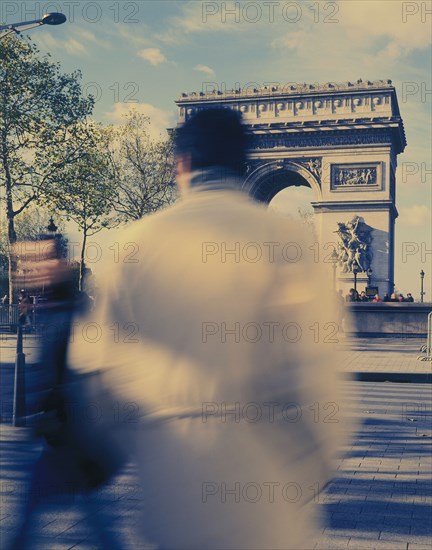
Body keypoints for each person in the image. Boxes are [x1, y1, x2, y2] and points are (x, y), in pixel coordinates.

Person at [68, 108, 348, 549]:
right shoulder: (291, 243)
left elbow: (99, 373)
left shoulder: (132, 245)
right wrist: (312, 468)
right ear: (243, 165)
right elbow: (319, 375)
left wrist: (121, 450)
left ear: (181, 162)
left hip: (173, 486)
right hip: (266, 487)